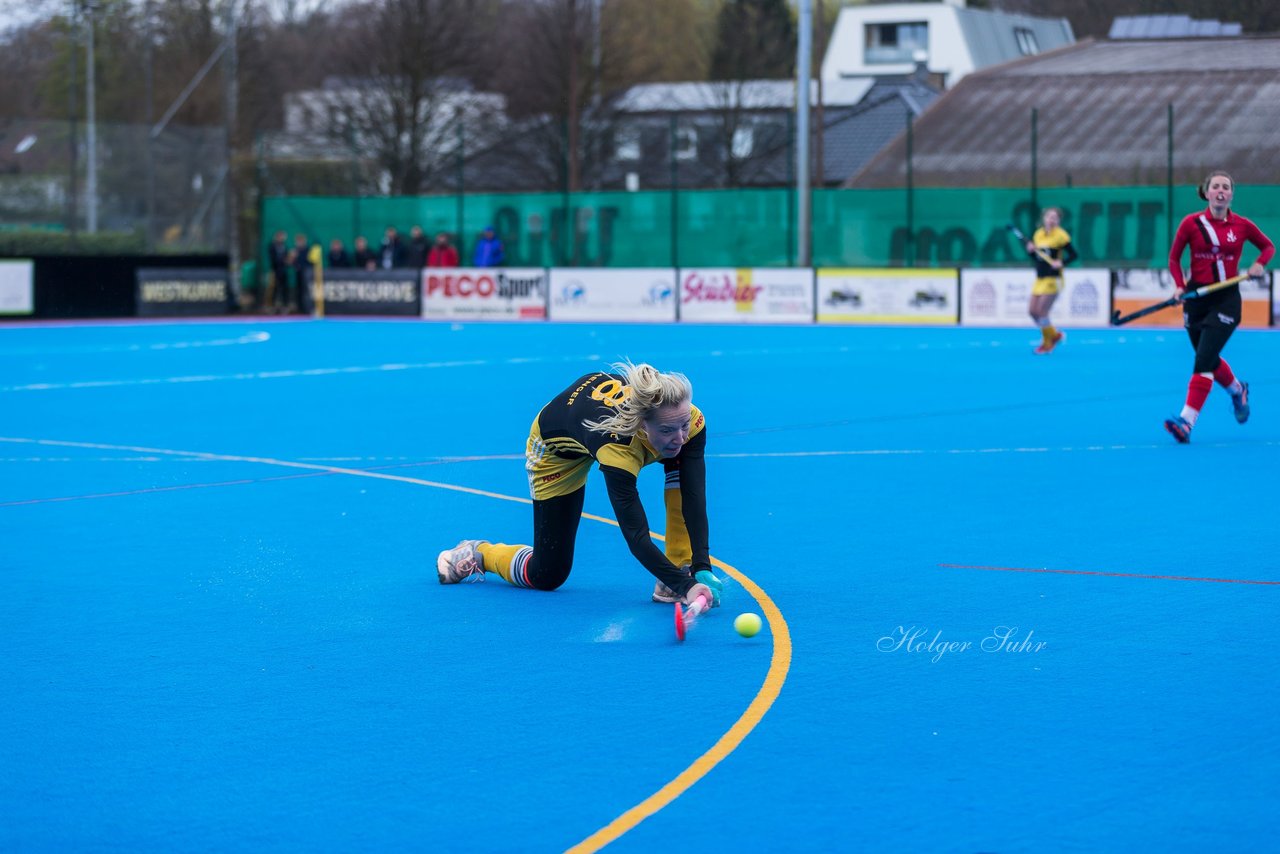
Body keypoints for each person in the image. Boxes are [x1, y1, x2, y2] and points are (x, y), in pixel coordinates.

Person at [436, 361, 722, 611]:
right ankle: (480, 552)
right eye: (667, 430)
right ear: (642, 426)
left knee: (681, 468)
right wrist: (686, 588)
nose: (681, 437)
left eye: (683, 425)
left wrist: (699, 566)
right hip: (556, 453)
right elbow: (636, 535)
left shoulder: (686, 419)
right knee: (547, 575)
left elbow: (692, 494)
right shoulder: (617, 448)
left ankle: (676, 569)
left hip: (595, 419)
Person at [1163, 170, 1274, 443]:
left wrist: (1259, 264)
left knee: (1202, 360)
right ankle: (1237, 390)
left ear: (1231, 194)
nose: (1221, 191)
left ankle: (1186, 422)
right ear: (1207, 192)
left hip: (1226, 299)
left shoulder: (1243, 226)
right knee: (1208, 358)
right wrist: (1179, 285)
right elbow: (1174, 259)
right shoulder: (1191, 223)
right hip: (1195, 298)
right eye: (1216, 186)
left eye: (1226, 187)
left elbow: (1268, 247)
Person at [1022, 206, 1078, 354]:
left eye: (1055, 218)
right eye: (1049, 217)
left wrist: (1062, 263)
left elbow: (1073, 255)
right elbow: (1039, 258)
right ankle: (1054, 335)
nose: (1051, 220)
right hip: (1040, 279)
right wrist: (1031, 252)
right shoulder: (1038, 235)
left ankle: (1047, 343)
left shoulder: (1061, 236)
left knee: (1042, 312)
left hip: (1054, 279)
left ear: (1059, 221)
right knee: (1032, 312)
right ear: (1044, 218)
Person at [267, 230, 290, 314]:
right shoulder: (272, 246)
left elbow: (286, 257)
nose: (282, 238)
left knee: (284, 289)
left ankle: (284, 306)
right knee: (274, 289)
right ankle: (271, 306)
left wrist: (288, 261)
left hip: (283, 270)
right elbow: (273, 259)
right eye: (281, 236)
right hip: (275, 270)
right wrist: (283, 261)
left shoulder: (284, 246)